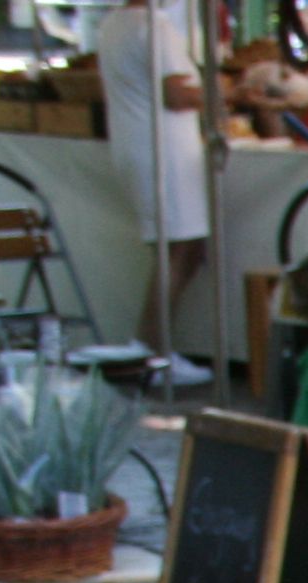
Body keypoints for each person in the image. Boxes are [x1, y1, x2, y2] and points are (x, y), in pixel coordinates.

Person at [96, 0, 211, 386]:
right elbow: (176, 94)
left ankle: (151, 346)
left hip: (138, 144)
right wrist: (221, 94)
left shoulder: (113, 24)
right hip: (163, 150)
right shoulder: (153, 26)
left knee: (179, 248)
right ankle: (154, 350)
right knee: (178, 248)